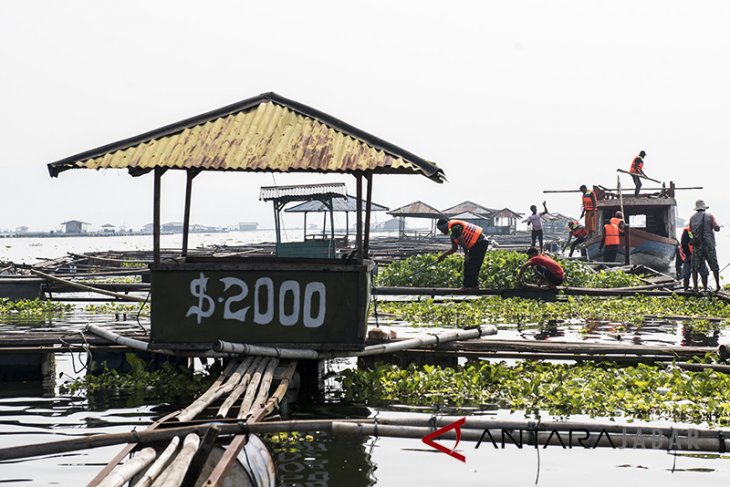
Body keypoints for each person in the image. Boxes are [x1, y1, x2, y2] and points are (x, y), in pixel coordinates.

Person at [436, 218, 490, 289]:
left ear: (445, 227)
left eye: (442, 230)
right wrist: (443, 255)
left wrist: (466, 254)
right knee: (468, 264)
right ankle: (468, 286)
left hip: (480, 242)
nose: (442, 232)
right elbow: (454, 249)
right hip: (476, 245)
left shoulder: (455, 227)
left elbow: (462, 241)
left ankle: (472, 286)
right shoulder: (453, 234)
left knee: (472, 264)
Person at [689, 200, 721, 292]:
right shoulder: (710, 216)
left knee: (694, 267)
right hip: (709, 244)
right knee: (714, 266)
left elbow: (690, 231)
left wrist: (694, 238)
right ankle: (717, 286)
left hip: (697, 245)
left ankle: (695, 287)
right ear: (704, 208)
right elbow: (716, 228)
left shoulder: (692, 218)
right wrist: (716, 227)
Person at [678, 225, 708, 292]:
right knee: (686, 275)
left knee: (704, 273)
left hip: (700, 256)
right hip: (689, 257)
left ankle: (705, 288)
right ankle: (687, 290)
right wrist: (689, 255)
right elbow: (684, 244)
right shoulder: (687, 231)